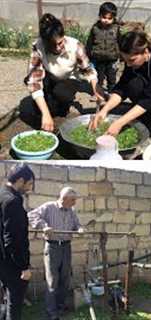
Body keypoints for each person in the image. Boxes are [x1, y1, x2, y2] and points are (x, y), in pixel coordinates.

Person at [20, 13, 102, 132]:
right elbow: (34, 82)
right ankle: (49, 105)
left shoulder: (75, 46)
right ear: (44, 42)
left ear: (64, 36)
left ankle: (62, 105)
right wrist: (46, 114)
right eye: (53, 45)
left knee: (61, 95)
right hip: (49, 76)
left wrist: (96, 88)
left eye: (60, 43)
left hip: (69, 78)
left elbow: (87, 70)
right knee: (42, 109)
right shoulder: (38, 47)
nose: (58, 48)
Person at [27, 187, 84, 320]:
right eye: (73, 200)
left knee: (65, 279)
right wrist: (43, 226)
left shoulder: (71, 211)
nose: (75, 202)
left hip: (66, 247)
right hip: (52, 247)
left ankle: (60, 306)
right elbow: (31, 215)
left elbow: (77, 225)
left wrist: (80, 229)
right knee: (52, 280)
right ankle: (52, 313)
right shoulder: (49, 207)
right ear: (64, 199)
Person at [0, 164, 35, 320]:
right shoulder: (12, 201)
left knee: (5, 300)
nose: (30, 188)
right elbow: (12, 239)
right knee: (14, 304)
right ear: (20, 180)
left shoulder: (2, 193)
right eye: (29, 184)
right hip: (11, 263)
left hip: (2, 259)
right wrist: (23, 267)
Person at [86, 2, 120, 92]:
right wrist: (88, 54)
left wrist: (121, 55)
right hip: (98, 58)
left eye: (109, 18)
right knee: (99, 77)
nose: (106, 20)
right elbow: (90, 42)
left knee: (111, 76)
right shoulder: (95, 28)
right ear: (100, 15)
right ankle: (98, 92)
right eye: (104, 17)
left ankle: (111, 91)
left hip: (112, 58)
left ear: (113, 18)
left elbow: (120, 42)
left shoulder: (116, 28)